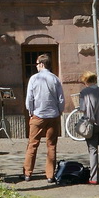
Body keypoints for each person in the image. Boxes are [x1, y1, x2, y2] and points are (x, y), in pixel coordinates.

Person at [23, 53, 65, 183]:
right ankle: (50, 175)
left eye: (37, 64)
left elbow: (29, 98)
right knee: (51, 145)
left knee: (32, 144)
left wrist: (30, 111)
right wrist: (59, 111)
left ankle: (28, 173)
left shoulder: (34, 79)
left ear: (41, 64)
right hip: (53, 115)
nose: (36, 66)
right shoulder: (55, 79)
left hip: (38, 114)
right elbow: (61, 99)